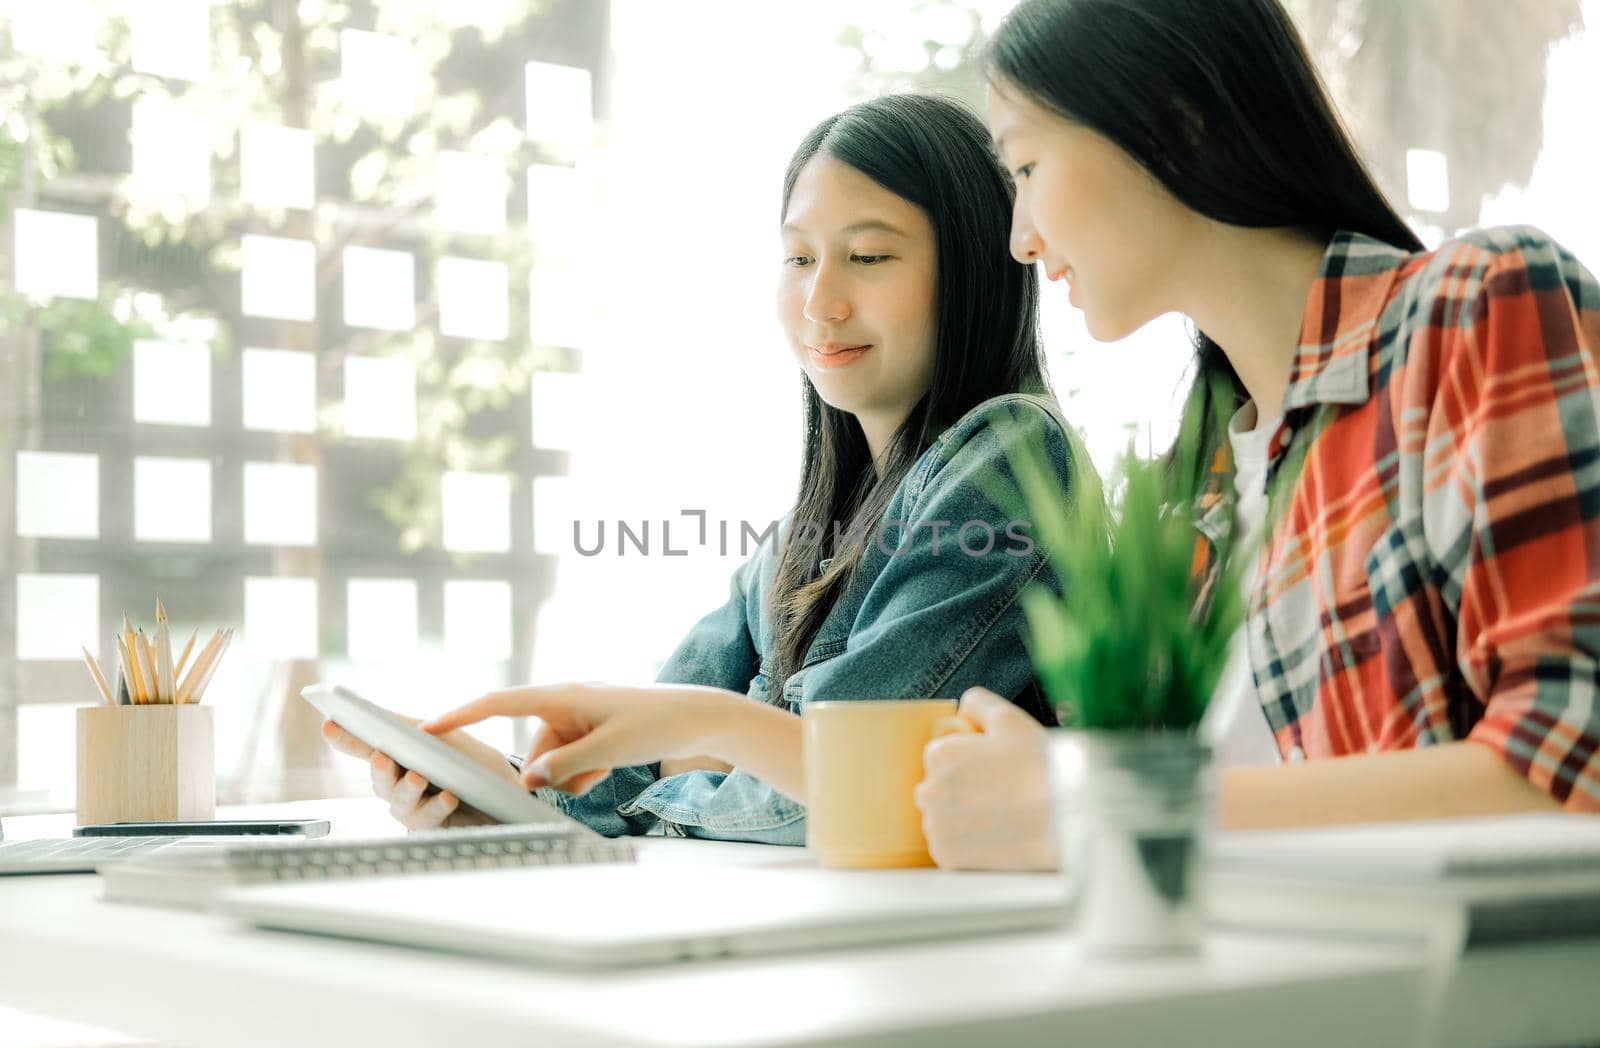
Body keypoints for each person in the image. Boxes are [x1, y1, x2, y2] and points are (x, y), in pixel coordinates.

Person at [431, 0, 1600, 875]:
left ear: (1177, 124)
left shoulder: (1477, 307)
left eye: (1028, 168)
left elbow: (1570, 781)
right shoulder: (1195, 492)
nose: (1023, 239)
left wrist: (1088, 802)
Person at [326, 92, 1087, 841]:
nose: (820, 299)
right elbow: (637, 755)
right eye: (797, 257)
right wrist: (501, 792)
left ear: (976, 271)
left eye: (868, 256)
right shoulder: (806, 534)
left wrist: (697, 755)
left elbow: (839, 784)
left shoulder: (1010, 452)